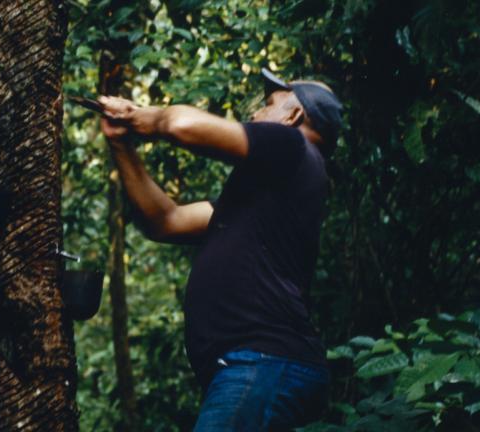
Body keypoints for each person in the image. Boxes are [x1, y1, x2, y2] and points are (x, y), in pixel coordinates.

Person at [96, 68, 343, 431]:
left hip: (262, 364)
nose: (255, 114)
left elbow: (182, 124)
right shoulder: (265, 195)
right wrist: (121, 145)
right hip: (257, 367)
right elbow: (167, 220)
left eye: (267, 105)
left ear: (292, 116)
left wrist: (140, 116)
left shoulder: (294, 146)